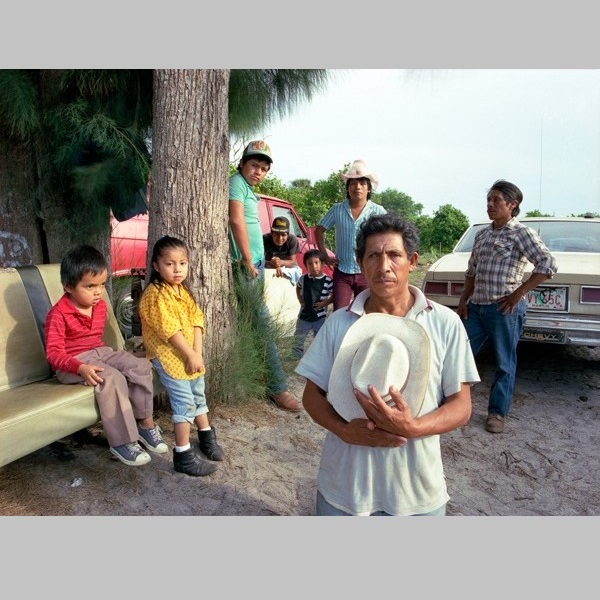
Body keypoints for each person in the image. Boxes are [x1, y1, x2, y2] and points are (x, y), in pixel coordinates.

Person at [295, 214, 480, 516]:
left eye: (394, 255)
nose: (384, 267)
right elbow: (311, 395)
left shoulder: (445, 323)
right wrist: (344, 431)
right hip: (345, 491)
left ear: (412, 260)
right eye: (374, 256)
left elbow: (462, 405)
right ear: (360, 262)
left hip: (416, 494)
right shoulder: (339, 323)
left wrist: (414, 427)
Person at [44, 245, 167, 467]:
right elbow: (53, 354)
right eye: (89, 286)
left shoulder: (99, 306)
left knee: (138, 366)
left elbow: (98, 344)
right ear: (68, 286)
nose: (98, 292)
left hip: (100, 352)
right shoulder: (58, 314)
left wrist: (113, 357)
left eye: (101, 284)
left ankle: (145, 424)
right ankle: (123, 442)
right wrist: (79, 368)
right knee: (112, 378)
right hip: (73, 363)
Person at [457, 179, 557, 434]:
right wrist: (463, 300)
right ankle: (452, 404)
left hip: (504, 310)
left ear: (512, 205)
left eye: (496, 201)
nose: (489, 205)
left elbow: (547, 264)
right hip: (477, 307)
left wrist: (517, 294)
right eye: (488, 200)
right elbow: (472, 271)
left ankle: (497, 413)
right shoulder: (482, 235)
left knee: (504, 363)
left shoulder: (521, 233)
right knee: (459, 355)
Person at [138, 235, 224, 477]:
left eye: (182, 263)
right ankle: (183, 454)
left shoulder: (182, 291)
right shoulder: (155, 294)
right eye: (170, 264)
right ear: (156, 265)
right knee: (184, 401)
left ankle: (206, 437)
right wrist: (188, 354)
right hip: (169, 355)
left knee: (198, 392)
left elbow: (197, 321)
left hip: (189, 354)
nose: (177, 269)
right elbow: (170, 330)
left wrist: (196, 353)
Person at [228, 140, 301, 412]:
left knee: (253, 323)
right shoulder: (235, 183)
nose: (258, 172)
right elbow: (235, 220)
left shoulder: (246, 188)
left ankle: (260, 374)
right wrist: (247, 259)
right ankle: (278, 388)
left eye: (264, 168)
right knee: (264, 323)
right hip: (246, 265)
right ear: (243, 164)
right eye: (254, 165)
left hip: (255, 264)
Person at [315, 159, 387, 310]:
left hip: (367, 272)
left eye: (362, 183)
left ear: (369, 189)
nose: (357, 187)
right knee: (340, 311)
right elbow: (319, 230)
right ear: (347, 188)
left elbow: (389, 236)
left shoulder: (378, 211)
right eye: (353, 183)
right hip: (342, 271)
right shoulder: (337, 209)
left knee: (367, 311)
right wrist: (325, 255)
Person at [292, 249, 333, 359]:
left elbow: (334, 294)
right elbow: (298, 286)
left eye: (316, 263)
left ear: (322, 264)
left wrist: (325, 303)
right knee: (299, 337)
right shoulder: (303, 279)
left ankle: (319, 356)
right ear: (305, 265)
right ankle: (296, 356)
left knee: (320, 338)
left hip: (319, 317)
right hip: (304, 316)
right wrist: (300, 299)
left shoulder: (328, 280)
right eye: (310, 263)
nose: (314, 266)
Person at [263, 216, 302, 285]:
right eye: (276, 234)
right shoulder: (265, 239)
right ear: (272, 233)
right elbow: (258, 261)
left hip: (286, 268)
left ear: (287, 235)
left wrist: (280, 262)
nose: (280, 238)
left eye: (283, 235)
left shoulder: (292, 240)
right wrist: (271, 263)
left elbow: (293, 262)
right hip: (268, 269)